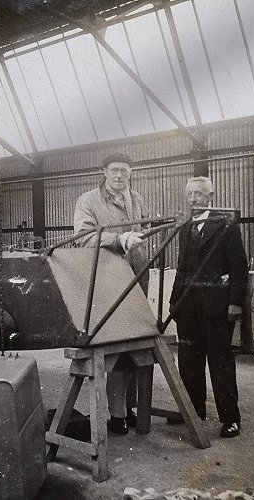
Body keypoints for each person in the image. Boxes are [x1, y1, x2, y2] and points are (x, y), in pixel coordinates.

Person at [73, 152, 148, 435]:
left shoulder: (137, 199)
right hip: (105, 282)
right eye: (114, 170)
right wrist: (118, 239)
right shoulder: (88, 201)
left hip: (136, 280)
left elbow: (142, 232)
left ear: (131, 172)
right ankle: (110, 413)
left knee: (132, 350)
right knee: (107, 350)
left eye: (125, 171)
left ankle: (123, 411)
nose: (119, 176)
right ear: (104, 171)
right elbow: (83, 238)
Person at [169, 176, 248, 438]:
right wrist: (174, 303)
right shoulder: (185, 226)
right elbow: (181, 267)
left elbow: (238, 266)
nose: (193, 199)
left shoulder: (225, 225)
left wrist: (236, 302)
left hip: (217, 305)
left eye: (199, 194)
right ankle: (193, 412)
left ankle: (230, 418)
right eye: (189, 194)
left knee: (220, 361)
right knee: (189, 360)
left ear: (210, 196)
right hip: (188, 305)